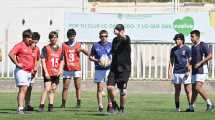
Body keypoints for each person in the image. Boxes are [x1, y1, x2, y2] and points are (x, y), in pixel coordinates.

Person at [61, 29, 89, 108]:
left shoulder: (78, 44)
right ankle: (63, 103)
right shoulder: (64, 45)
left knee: (78, 86)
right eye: (70, 36)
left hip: (76, 69)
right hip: (67, 69)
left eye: (73, 36)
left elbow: (88, 53)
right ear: (68, 36)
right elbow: (61, 56)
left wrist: (83, 50)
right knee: (65, 87)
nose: (72, 37)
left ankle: (78, 102)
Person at [107, 24, 131, 113]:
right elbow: (113, 52)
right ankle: (114, 103)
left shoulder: (126, 38)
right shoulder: (114, 40)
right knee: (109, 87)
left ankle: (122, 108)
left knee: (122, 90)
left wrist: (119, 34)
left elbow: (124, 38)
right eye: (117, 30)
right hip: (114, 68)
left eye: (120, 30)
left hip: (125, 68)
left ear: (123, 31)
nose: (117, 32)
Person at [8, 29, 34, 114]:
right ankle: (20, 108)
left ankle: (22, 107)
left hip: (28, 72)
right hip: (21, 71)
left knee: (25, 89)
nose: (31, 39)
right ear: (24, 38)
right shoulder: (19, 45)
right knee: (23, 89)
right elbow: (11, 54)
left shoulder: (30, 47)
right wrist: (17, 63)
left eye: (31, 37)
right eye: (29, 38)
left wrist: (32, 68)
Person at [188, 30, 214, 112]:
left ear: (198, 37)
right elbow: (193, 60)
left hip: (202, 70)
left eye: (193, 36)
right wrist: (189, 65)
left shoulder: (203, 45)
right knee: (194, 89)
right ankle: (191, 107)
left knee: (197, 87)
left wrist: (200, 63)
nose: (191, 38)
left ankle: (210, 104)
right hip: (195, 71)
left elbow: (210, 56)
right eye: (191, 36)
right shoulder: (192, 47)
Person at [39, 31, 64, 112]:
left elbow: (61, 61)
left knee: (53, 89)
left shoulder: (60, 49)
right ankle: (41, 106)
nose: (54, 38)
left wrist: (60, 70)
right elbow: (43, 61)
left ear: (57, 38)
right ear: (49, 38)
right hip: (48, 72)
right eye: (52, 37)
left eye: (55, 37)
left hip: (56, 73)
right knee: (47, 88)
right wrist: (45, 72)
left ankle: (51, 106)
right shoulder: (46, 48)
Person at [168, 33, 192, 112]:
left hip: (185, 72)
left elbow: (190, 60)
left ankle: (190, 107)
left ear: (182, 40)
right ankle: (177, 108)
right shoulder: (173, 49)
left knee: (188, 90)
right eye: (176, 39)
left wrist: (189, 70)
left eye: (178, 39)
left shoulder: (187, 48)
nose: (176, 41)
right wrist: (169, 72)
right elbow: (171, 62)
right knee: (177, 91)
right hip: (176, 73)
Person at [89, 30, 112, 112]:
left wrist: (110, 61)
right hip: (99, 69)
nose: (103, 37)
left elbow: (114, 56)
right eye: (102, 36)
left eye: (105, 36)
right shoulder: (95, 45)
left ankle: (110, 105)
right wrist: (97, 60)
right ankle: (100, 106)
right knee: (99, 88)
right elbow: (90, 57)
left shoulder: (111, 45)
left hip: (109, 70)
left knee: (109, 88)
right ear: (99, 37)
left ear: (107, 36)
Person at [25, 32, 40, 111]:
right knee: (24, 88)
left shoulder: (37, 49)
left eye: (36, 40)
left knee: (30, 88)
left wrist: (35, 68)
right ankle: (22, 105)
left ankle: (28, 104)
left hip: (33, 72)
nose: (35, 42)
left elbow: (37, 59)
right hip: (25, 71)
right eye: (34, 40)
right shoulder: (26, 47)